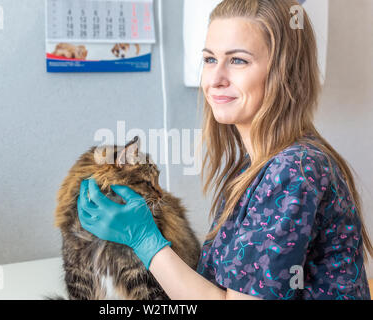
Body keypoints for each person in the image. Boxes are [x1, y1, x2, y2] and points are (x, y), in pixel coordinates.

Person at [77, 0, 372, 300]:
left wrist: (144, 239)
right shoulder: (254, 165)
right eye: (209, 59)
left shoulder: (294, 170)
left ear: (285, 73)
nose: (215, 79)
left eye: (238, 61)